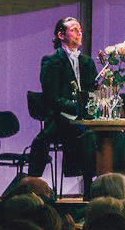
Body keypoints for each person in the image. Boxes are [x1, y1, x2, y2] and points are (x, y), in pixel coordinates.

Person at [24, 17, 110, 187]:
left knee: (110, 134)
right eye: (74, 29)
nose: (79, 33)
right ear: (61, 35)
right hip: (59, 119)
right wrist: (76, 106)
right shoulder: (51, 61)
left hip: (83, 118)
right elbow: (52, 97)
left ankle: (107, 183)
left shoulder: (87, 62)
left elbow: (91, 92)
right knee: (87, 135)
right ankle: (88, 187)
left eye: (80, 29)